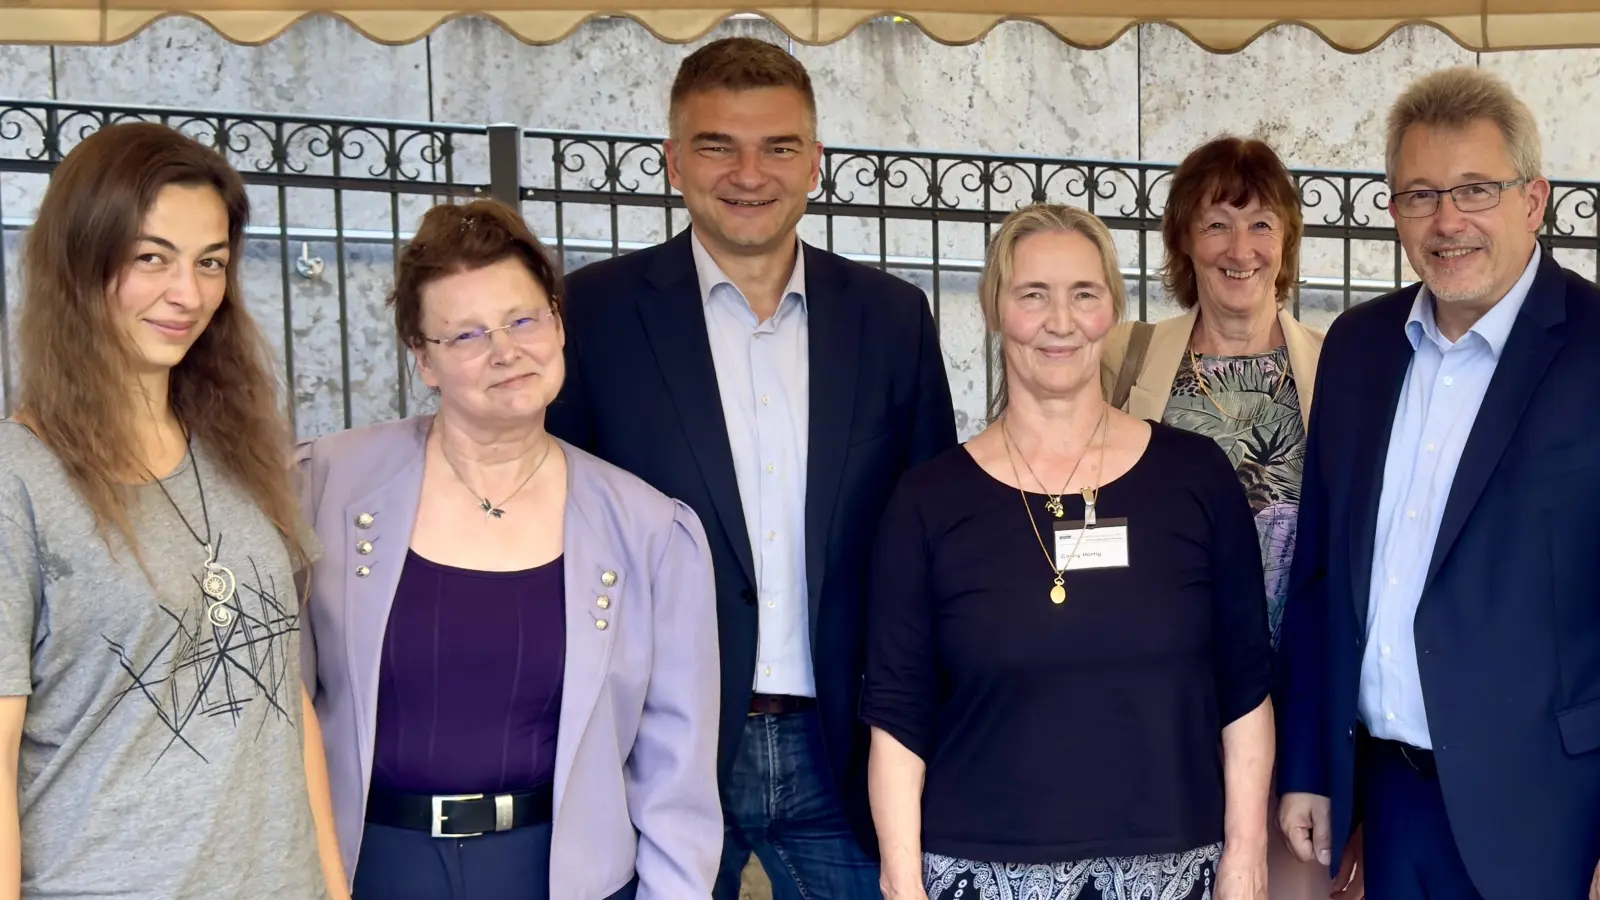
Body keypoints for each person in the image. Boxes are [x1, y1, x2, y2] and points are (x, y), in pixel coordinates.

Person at [546, 36, 958, 900]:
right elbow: (560, 529)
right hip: (663, 743)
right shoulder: (593, 316)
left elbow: (932, 542)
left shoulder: (892, 321)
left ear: (816, 162)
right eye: (716, 145)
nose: (748, 172)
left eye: (777, 146)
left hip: (845, 747)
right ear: (671, 162)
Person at [295, 199, 721, 900]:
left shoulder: (650, 532)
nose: (505, 351)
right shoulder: (322, 487)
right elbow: (281, 714)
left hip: (564, 876)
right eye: (465, 335)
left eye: (523, 319)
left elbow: (676, 776)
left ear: (557, 323)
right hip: (366, 871)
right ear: (422, 361)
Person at [863, 203, 1274, 900]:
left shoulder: (1195, 477)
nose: (1060, 321)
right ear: (995, 309)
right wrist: (902, 881)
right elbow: (898, 716)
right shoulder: (927, 502)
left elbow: (1244, 688)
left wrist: (1246, 856)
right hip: (981, 874)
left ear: (1111, 309)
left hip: (1175, 869)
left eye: (1083, 294)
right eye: (1033, 295)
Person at [1275, 66, 1600, 900]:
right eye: (1420, 195)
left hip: (1550, 815)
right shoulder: (1356, 347)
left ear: (1535, 200)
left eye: (1474, 190)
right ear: (1392, 212)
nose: (1447, 220)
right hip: (1384, 803)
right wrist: (1309, 765)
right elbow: (1318, 577)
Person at [0, 122, 341, 899]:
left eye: (210, 262)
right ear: (79, 261)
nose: (188, 294)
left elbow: (283, 696)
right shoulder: (15, 477)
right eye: (151, 257)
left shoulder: (239, 453)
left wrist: (331, 884)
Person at [1099, 136, 1360, 900]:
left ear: (1286, 241)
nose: (1238, 248)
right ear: (1183, 239)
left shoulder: (1343, 365)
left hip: (1296, 699)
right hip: (1159, 700)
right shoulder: (1125, 357)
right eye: (1216, 223)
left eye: (1260, 225)